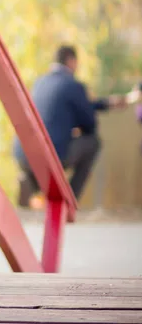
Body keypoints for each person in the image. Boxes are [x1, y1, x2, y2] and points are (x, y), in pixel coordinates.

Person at [14, 45, 127, 206]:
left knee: (47, 150)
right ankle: (68, 201)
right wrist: (76, 128)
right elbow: (89, 123)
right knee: (92, 142)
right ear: (71, 61)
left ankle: (31, 182)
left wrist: (106, 104)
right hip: (52, 155)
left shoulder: (39, 83)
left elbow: (62, 109)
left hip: (23, 154)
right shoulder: (73, 85)